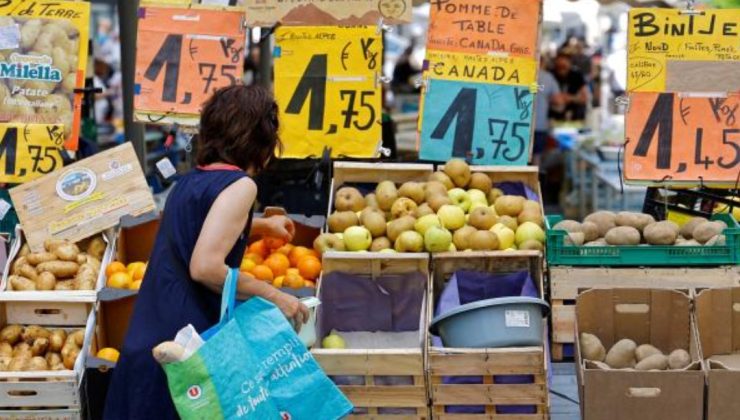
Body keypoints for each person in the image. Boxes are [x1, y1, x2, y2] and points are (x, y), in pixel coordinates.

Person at [104, 85, 310, 419]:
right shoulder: (242, 185)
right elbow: (204, 266)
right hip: (185, 349)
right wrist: (272, 293)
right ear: (260, 136)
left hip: (148, 334)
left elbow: (195, 227)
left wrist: (260, 226)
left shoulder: (188, 182)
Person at [532, 61, 564, 165]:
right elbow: (559, 104)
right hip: (539, 126)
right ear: (543, 63)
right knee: (536, 160)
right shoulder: (547, 78)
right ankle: (535, 180)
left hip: (515, 125)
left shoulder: (518, 72)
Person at [550, 53, 589, 122]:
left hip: (574, 118)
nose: (561, 69)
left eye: (564, 66)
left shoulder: (577, 75)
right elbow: (541, 89)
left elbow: (585, 97)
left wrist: (570, 98)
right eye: (559, 66)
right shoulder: (551, 75)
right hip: (553, 118)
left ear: (570, 64)